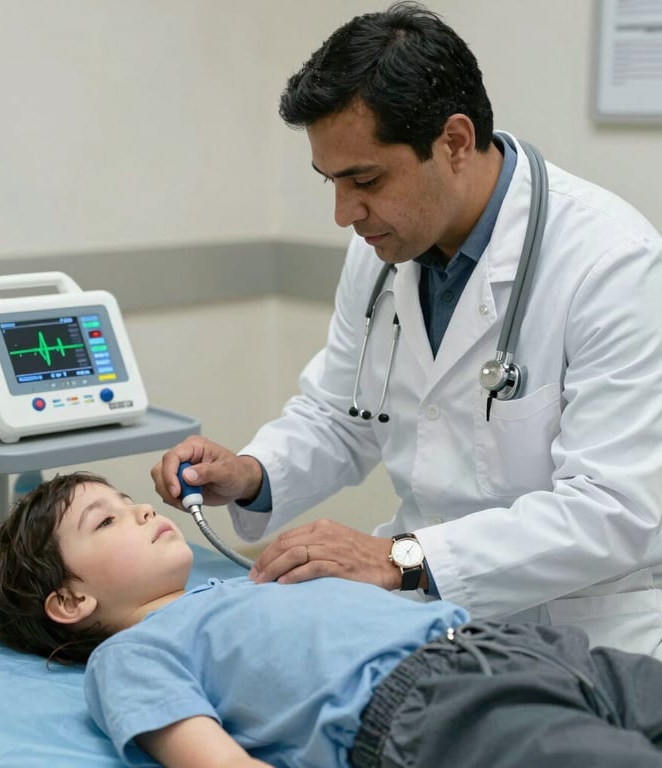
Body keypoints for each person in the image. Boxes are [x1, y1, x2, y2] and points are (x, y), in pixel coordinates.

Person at [152, 1, 662, 657]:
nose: (344, 213)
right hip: (423, 620)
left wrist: (400, 557)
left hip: (581, 635)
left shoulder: (613, 264)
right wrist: (252, 473)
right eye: (331, 182)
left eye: (364, 179)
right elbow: (344, 414)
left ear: (454, 143)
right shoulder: (383, 248)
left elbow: (612, 512)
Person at [0, 471, 662, 768]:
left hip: (512, 648)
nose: (142, 508)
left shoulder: (242, 584)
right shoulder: (131, 655)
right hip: (429, 707)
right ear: (71, 602)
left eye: (127, 499)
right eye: (105, 520)